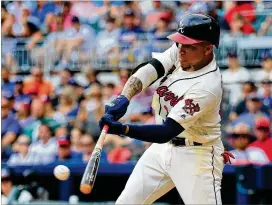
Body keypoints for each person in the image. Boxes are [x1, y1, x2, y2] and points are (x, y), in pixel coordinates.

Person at [99, 14, 233, 204]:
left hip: (196, 155)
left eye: (189, 46)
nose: (181, 50)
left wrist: (123, 129)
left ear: (208, 49)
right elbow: (151, 68)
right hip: (161, 151)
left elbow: (166, 131)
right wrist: (124, 97)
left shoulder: (208, 86)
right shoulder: (182, 52)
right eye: (180, 43)